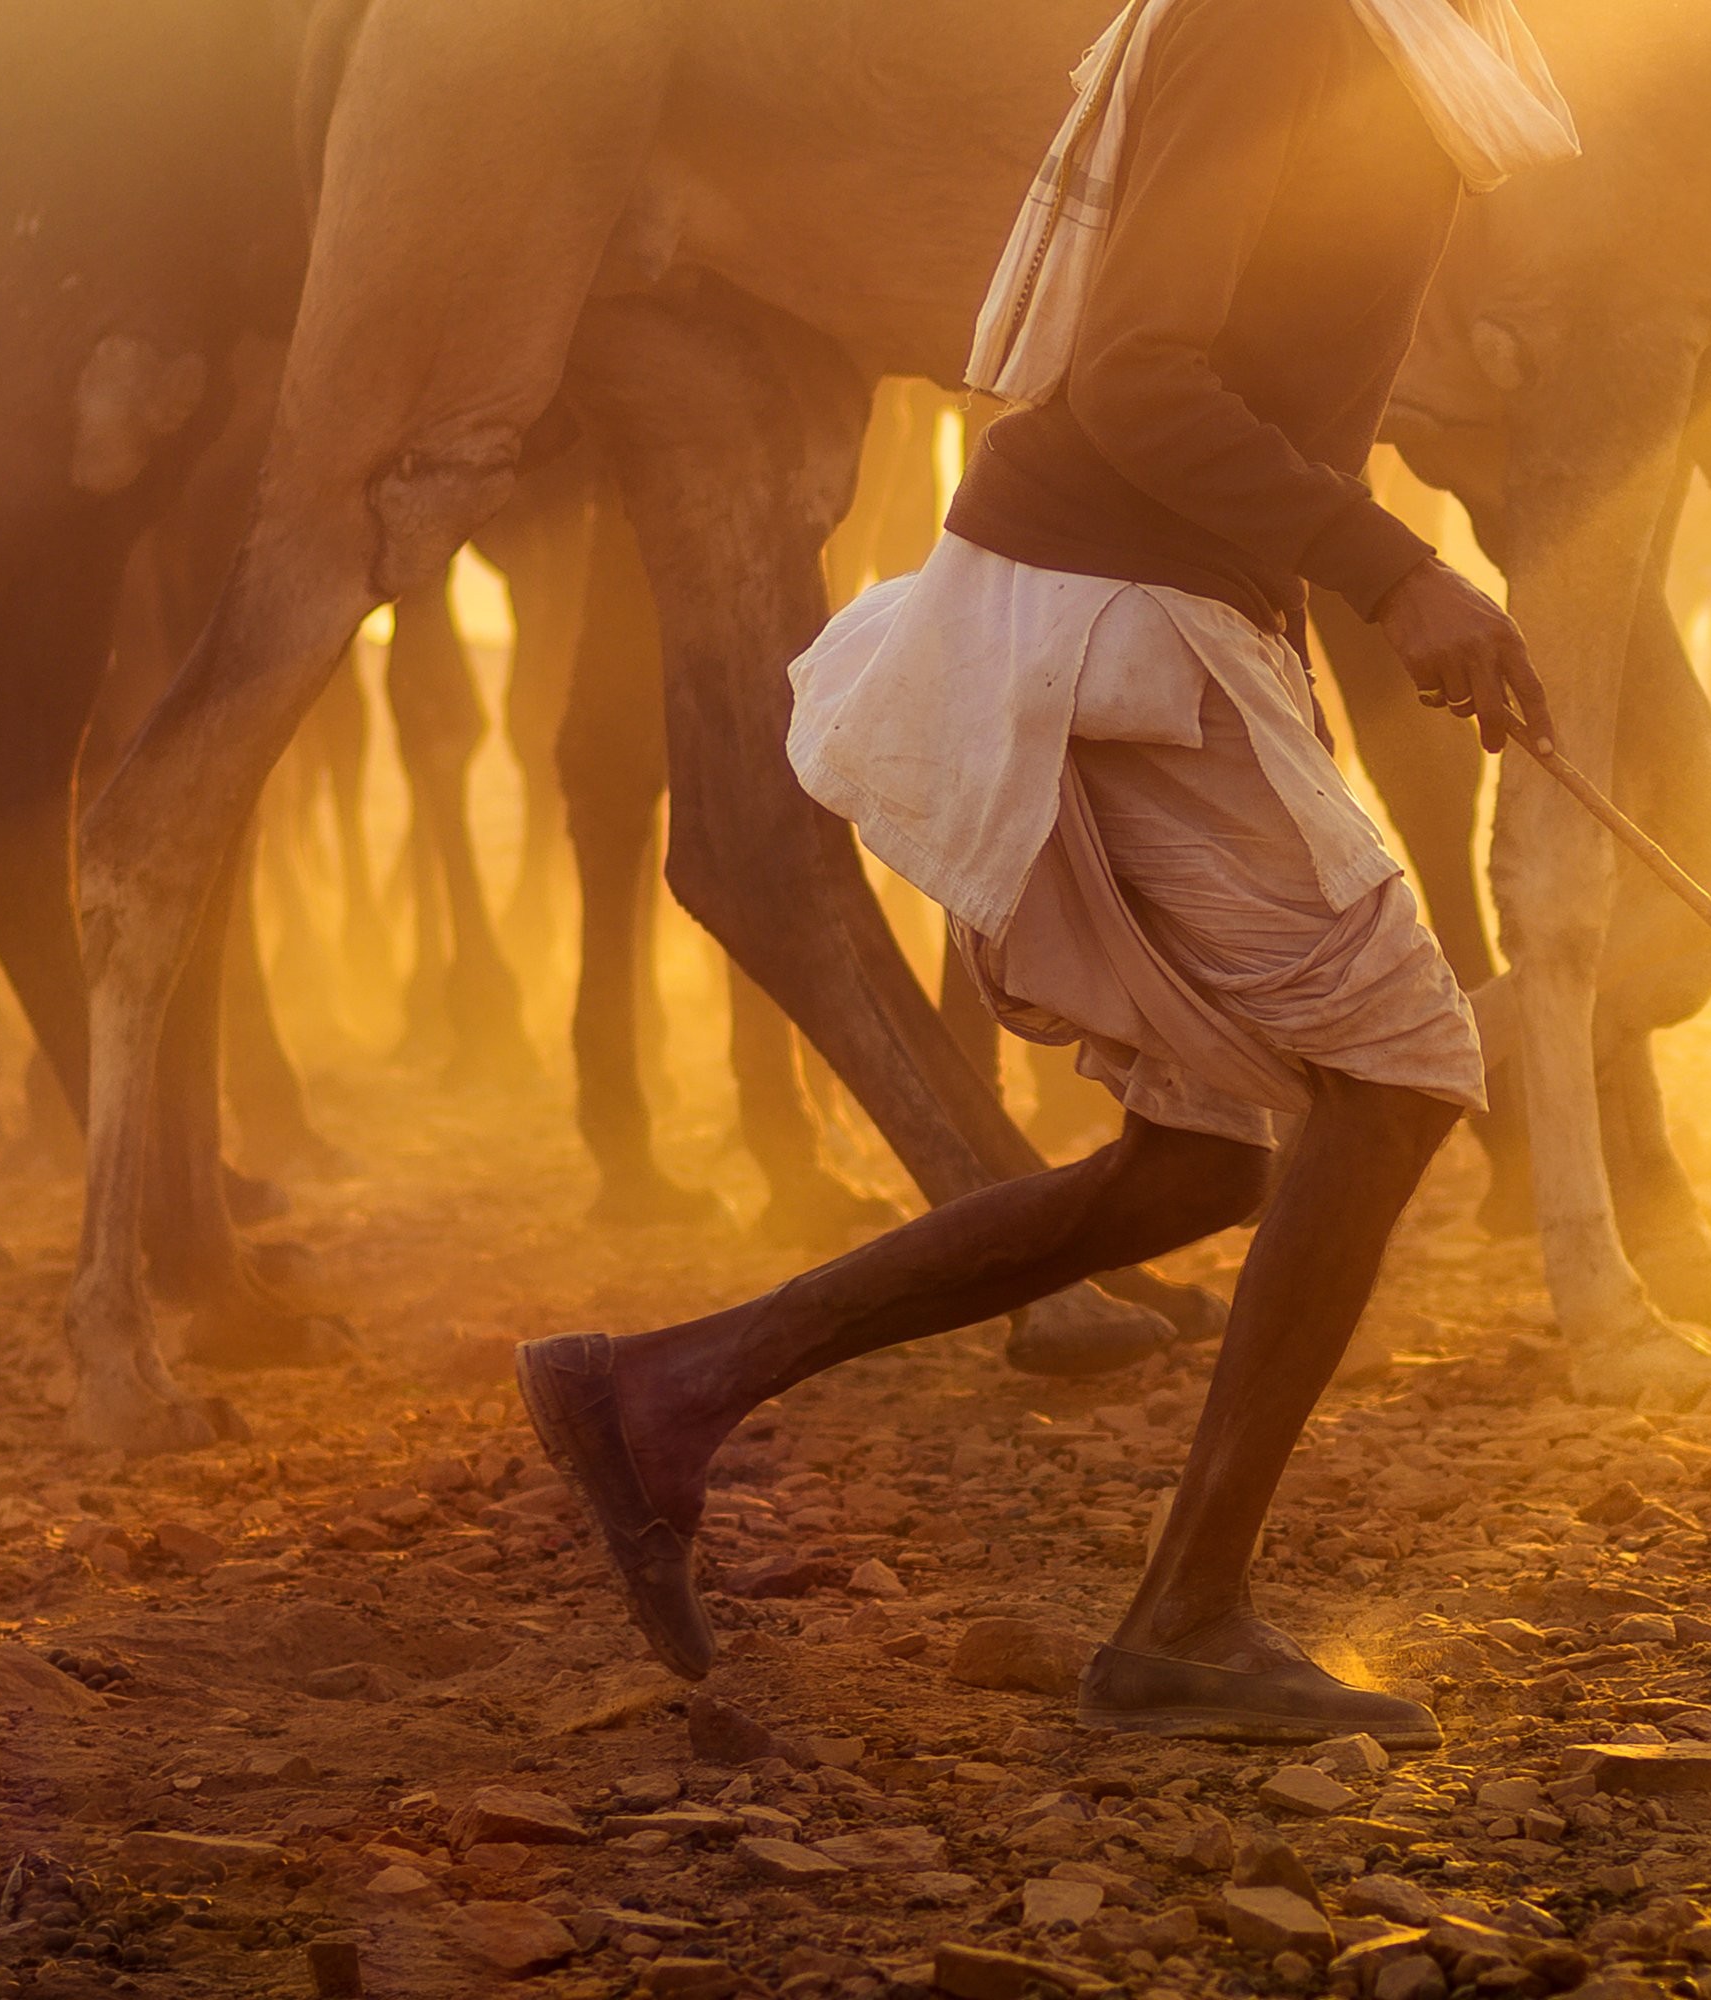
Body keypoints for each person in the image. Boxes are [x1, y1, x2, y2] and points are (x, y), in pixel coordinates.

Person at [518, 0, 1576, 1747]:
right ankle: (1188, 1620)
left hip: (1162, 590)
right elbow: (1140, 376)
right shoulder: (1277, 23)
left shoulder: (1407, 45)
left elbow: (1263, 379)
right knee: (1395, 1077)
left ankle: (664, 1391)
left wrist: (1349, 594)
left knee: (1196, 1167)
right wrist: (1399, 573)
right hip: (1107, 593)